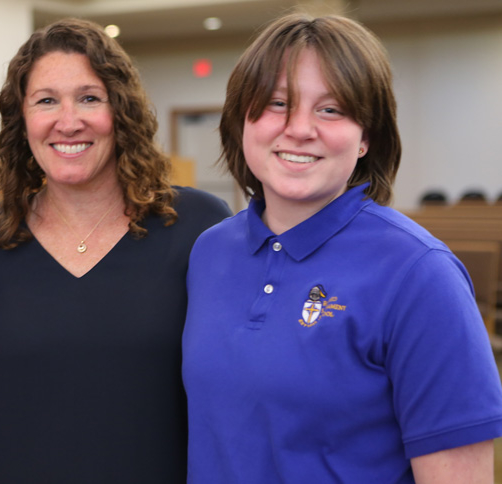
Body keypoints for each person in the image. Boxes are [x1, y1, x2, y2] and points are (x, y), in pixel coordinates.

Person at [182, 12, 502, 483]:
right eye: (276, 103)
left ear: (366, 137)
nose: (299, 128)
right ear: (240, 120)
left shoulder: (419, 272)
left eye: (330, 109)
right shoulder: (209, 252)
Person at [0, 18, 231, 483]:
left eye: (90, 98)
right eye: (46, 101)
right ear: (22, 119)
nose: (69, 122)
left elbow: (239, 387)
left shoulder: (199, 225)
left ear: (122, 112)